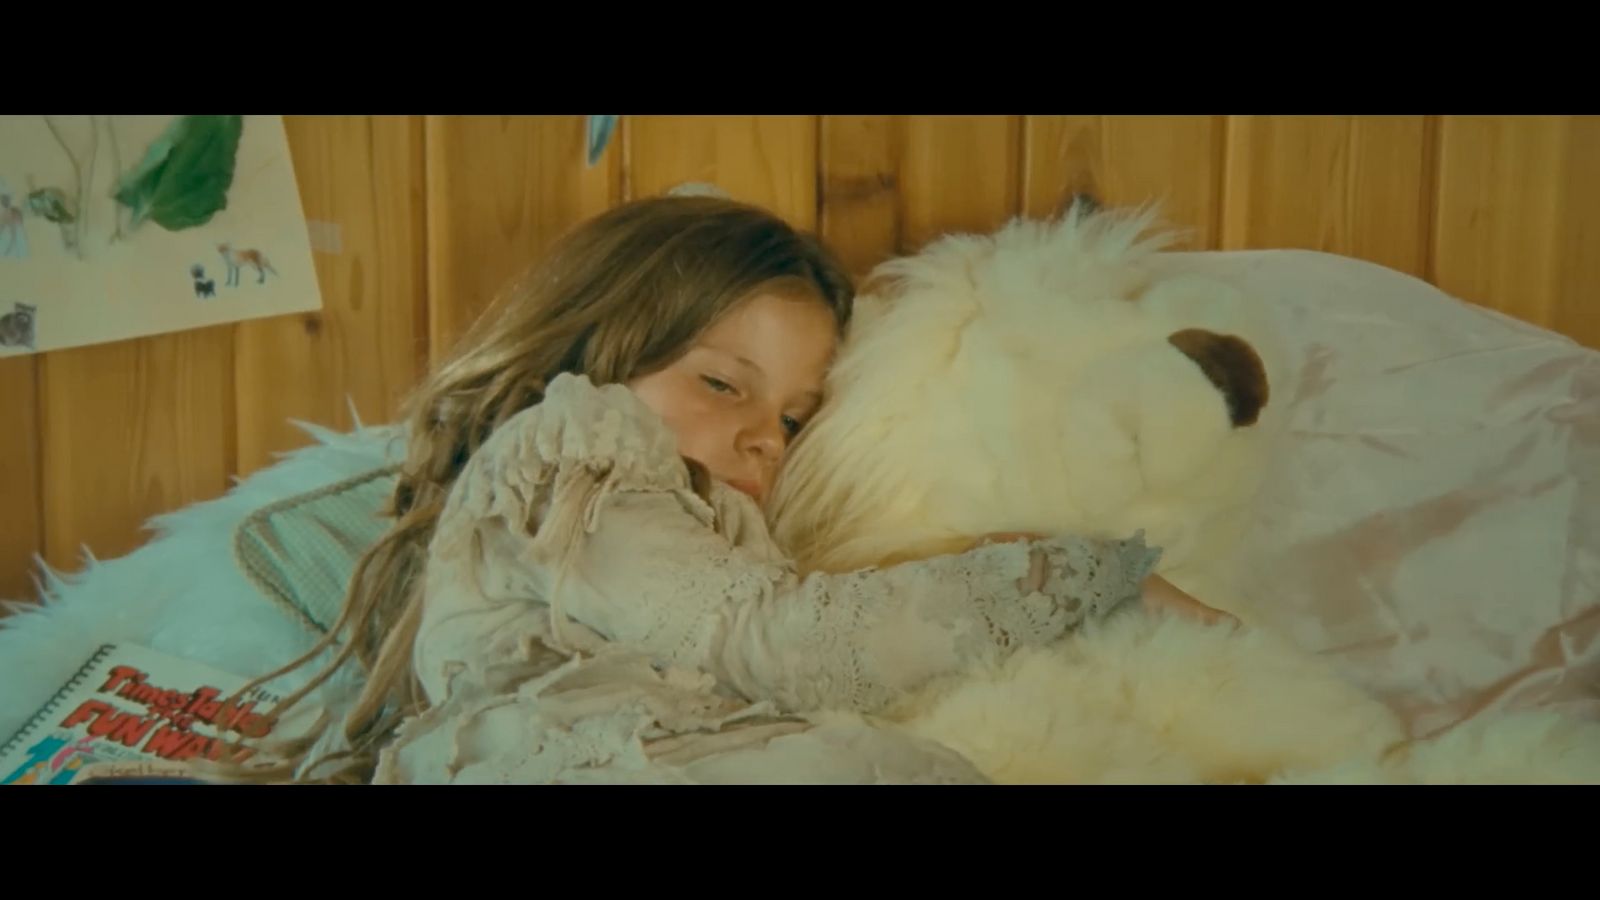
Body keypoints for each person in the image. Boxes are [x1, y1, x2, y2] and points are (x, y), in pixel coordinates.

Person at [229, 193, 1229, 785]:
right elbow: (778, 641)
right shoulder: (572, 452)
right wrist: (1073, 577)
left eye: (795, 418)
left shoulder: (708, 526)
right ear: (593, 351)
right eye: (720, 383)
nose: (761, 435)